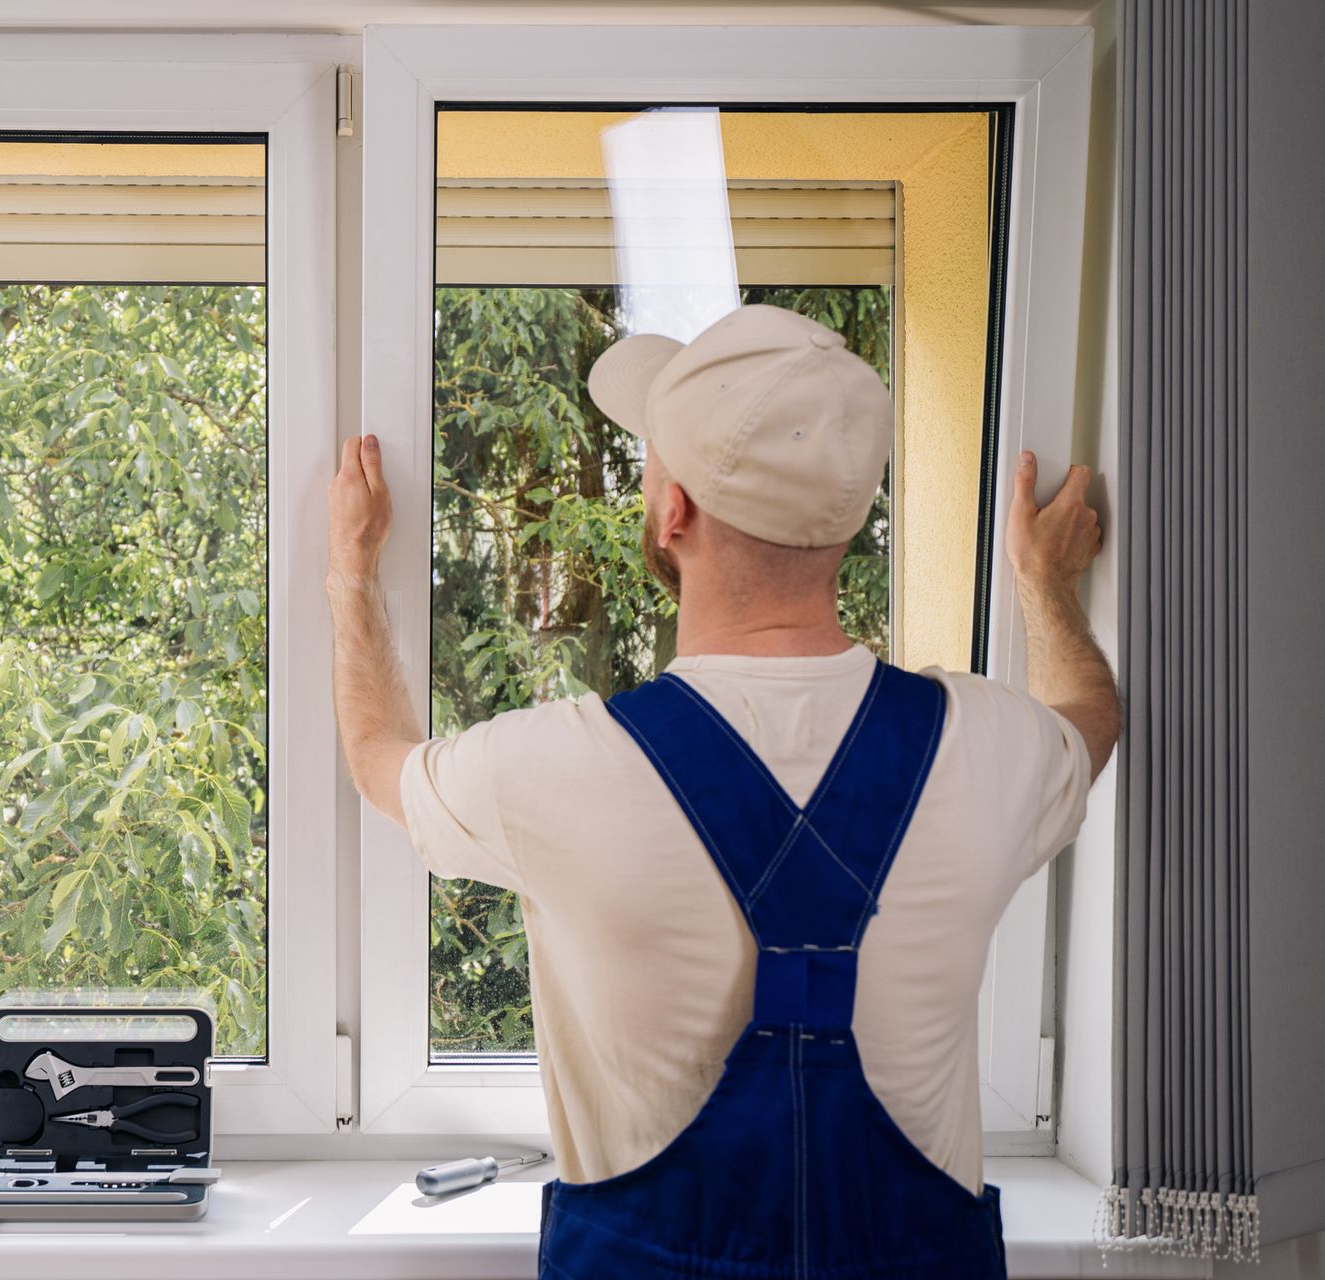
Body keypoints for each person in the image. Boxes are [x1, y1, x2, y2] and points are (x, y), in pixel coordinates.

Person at [325, 304, 1118, 1278]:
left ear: (675, 513)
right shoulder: (992, 745)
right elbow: (1090, 715)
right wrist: (1045, 581)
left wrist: (351, 570)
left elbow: (377, 754)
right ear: (850, 512)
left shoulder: (555, 767)